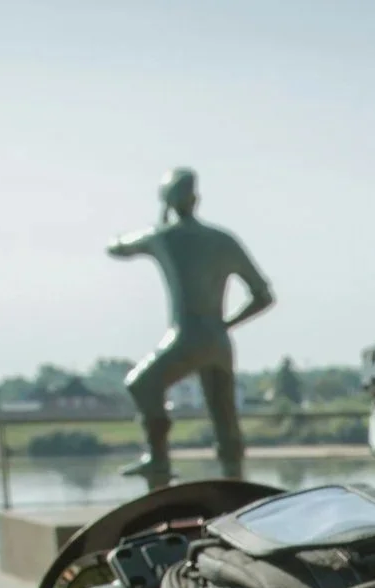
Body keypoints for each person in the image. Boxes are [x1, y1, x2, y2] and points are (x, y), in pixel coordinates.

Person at [109, 167, 273, 486]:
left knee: (141, 384)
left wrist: (156, 222)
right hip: (218, 341)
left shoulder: (163, 237)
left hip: (186, 338)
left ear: (169, 200)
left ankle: (158, 461)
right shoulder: (224, 240)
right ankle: (235, 480)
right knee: (225, 419)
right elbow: (263, 296)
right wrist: (226, 324)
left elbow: (117, 247)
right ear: (196, 199)